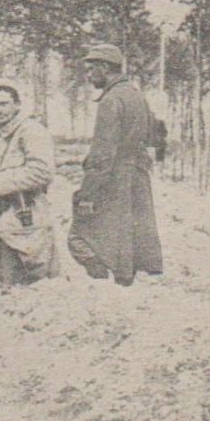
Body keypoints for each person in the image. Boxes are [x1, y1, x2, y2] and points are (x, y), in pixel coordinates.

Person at [67, 43, 164, 286]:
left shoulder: (111, 100)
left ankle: (102, 283)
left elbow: (102, 155)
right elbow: (157, 134)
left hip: (114, 179)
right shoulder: (136, 95)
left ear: (104, 68)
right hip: (138, 178)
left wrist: (87, 194)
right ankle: (123, 284)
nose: (88, 77)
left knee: (79, 237)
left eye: (91, 70)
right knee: (128, 236)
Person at [0, 79, 60, 286]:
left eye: (4, 104)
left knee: (27, 281)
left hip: (25, 218)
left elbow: (43, 171)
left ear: (17, 105)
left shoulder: (31, 131)